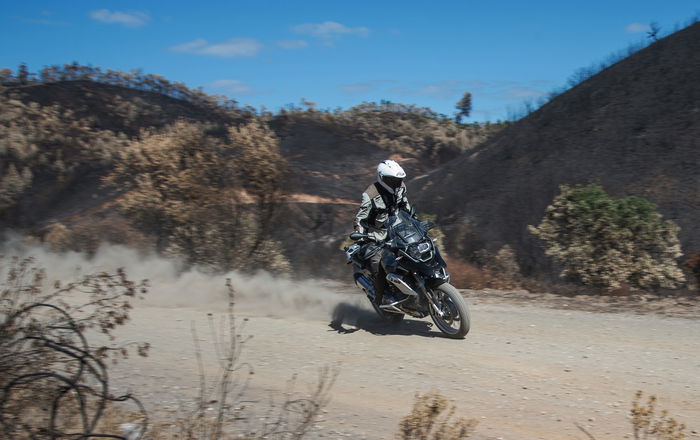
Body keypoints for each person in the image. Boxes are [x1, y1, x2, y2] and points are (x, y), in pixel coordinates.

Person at [353, 159, 412, 306]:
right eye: (392, 180)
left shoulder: (401, 188)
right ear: (382, 178)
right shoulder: (370, 194)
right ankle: (381, 298)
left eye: (398, 180)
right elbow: (360, 219)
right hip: (377, 237)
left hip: (398, 232)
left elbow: (406, 207)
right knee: (378, 264)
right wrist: (361, 237)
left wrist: (415, 222)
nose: (396, 183)